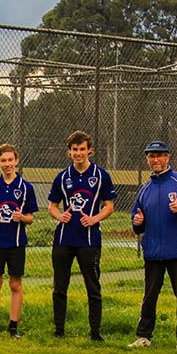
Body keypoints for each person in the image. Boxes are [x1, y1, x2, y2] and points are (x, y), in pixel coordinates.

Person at [129, 140, 177, 353]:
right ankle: (144, 336)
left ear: (167, 158)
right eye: (152, 156)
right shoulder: (145, 190)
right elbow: (138, 219)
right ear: (148, 160)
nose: (155, 159)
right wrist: (137, 221)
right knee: (149, 296)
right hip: (153, 252)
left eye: (159, 155)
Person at [48, 130, 115, 341]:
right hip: (63, 241)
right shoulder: (62, 177)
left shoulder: (101, 175)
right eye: (75, 150)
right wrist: (60, 216)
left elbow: (110, 206)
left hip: (89, 241)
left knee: (93, 287)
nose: (78, 153)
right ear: (69, 152)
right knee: (60, 287)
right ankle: (59, 331)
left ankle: (95, 333)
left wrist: (95, 219)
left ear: (90, 151)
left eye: (82, 149)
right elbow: (52, 207)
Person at [0, 143, 37, 338]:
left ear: (16, 161)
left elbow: (30, 217)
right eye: (3, 161)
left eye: (10, 160)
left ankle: (13, 327)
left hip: (17, 243)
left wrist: (22, 218)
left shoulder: (26, 187)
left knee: (15, 284)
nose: (7, 164)